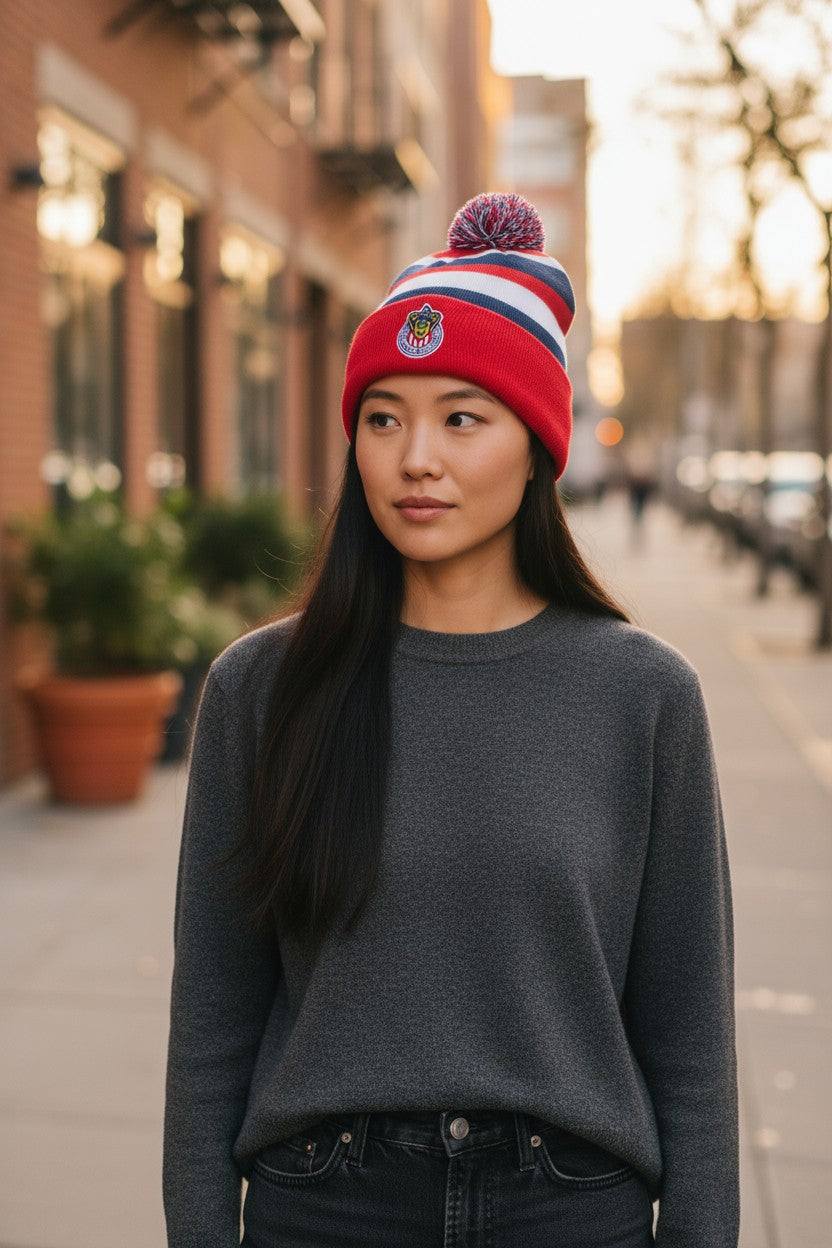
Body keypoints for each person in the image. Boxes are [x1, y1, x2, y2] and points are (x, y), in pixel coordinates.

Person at [162, 192, 739, 1248]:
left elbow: (689, 1034)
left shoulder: (643, 696)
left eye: (460, 417)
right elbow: (211, 1022)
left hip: (569, 1206)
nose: (413, 457)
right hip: (323, 1205)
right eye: (383, 418)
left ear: (537, 448)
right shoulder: (263, 687)